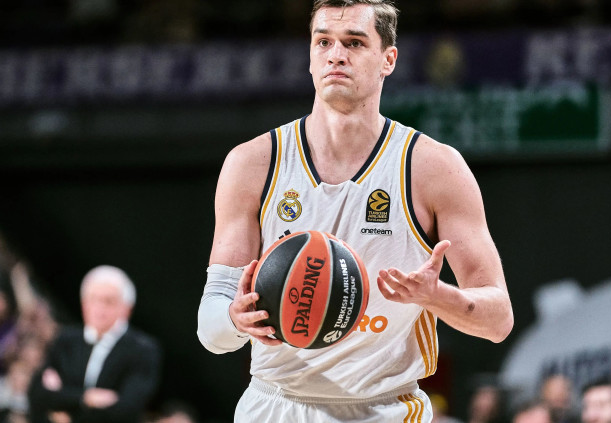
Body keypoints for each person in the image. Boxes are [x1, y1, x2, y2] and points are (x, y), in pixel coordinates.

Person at [196, 0, 514, 421]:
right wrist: (236, 319)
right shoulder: (254, 163)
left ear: (388, 60)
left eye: (354, 43)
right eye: (323, 41)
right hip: (275, 404)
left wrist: (438, 296)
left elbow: (498, 320)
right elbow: (211, 330)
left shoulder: (433, 167)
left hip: (385, 407)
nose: (336, 54)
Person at [28, 265, 162, 423]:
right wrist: (86, 398)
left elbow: (126, 410)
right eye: (93, 299)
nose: (99, 307)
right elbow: (37, 395)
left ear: (127, 308)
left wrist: (65, 405)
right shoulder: (66, 340)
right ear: (83, 304)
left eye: (108, 301)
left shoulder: (143, 349)